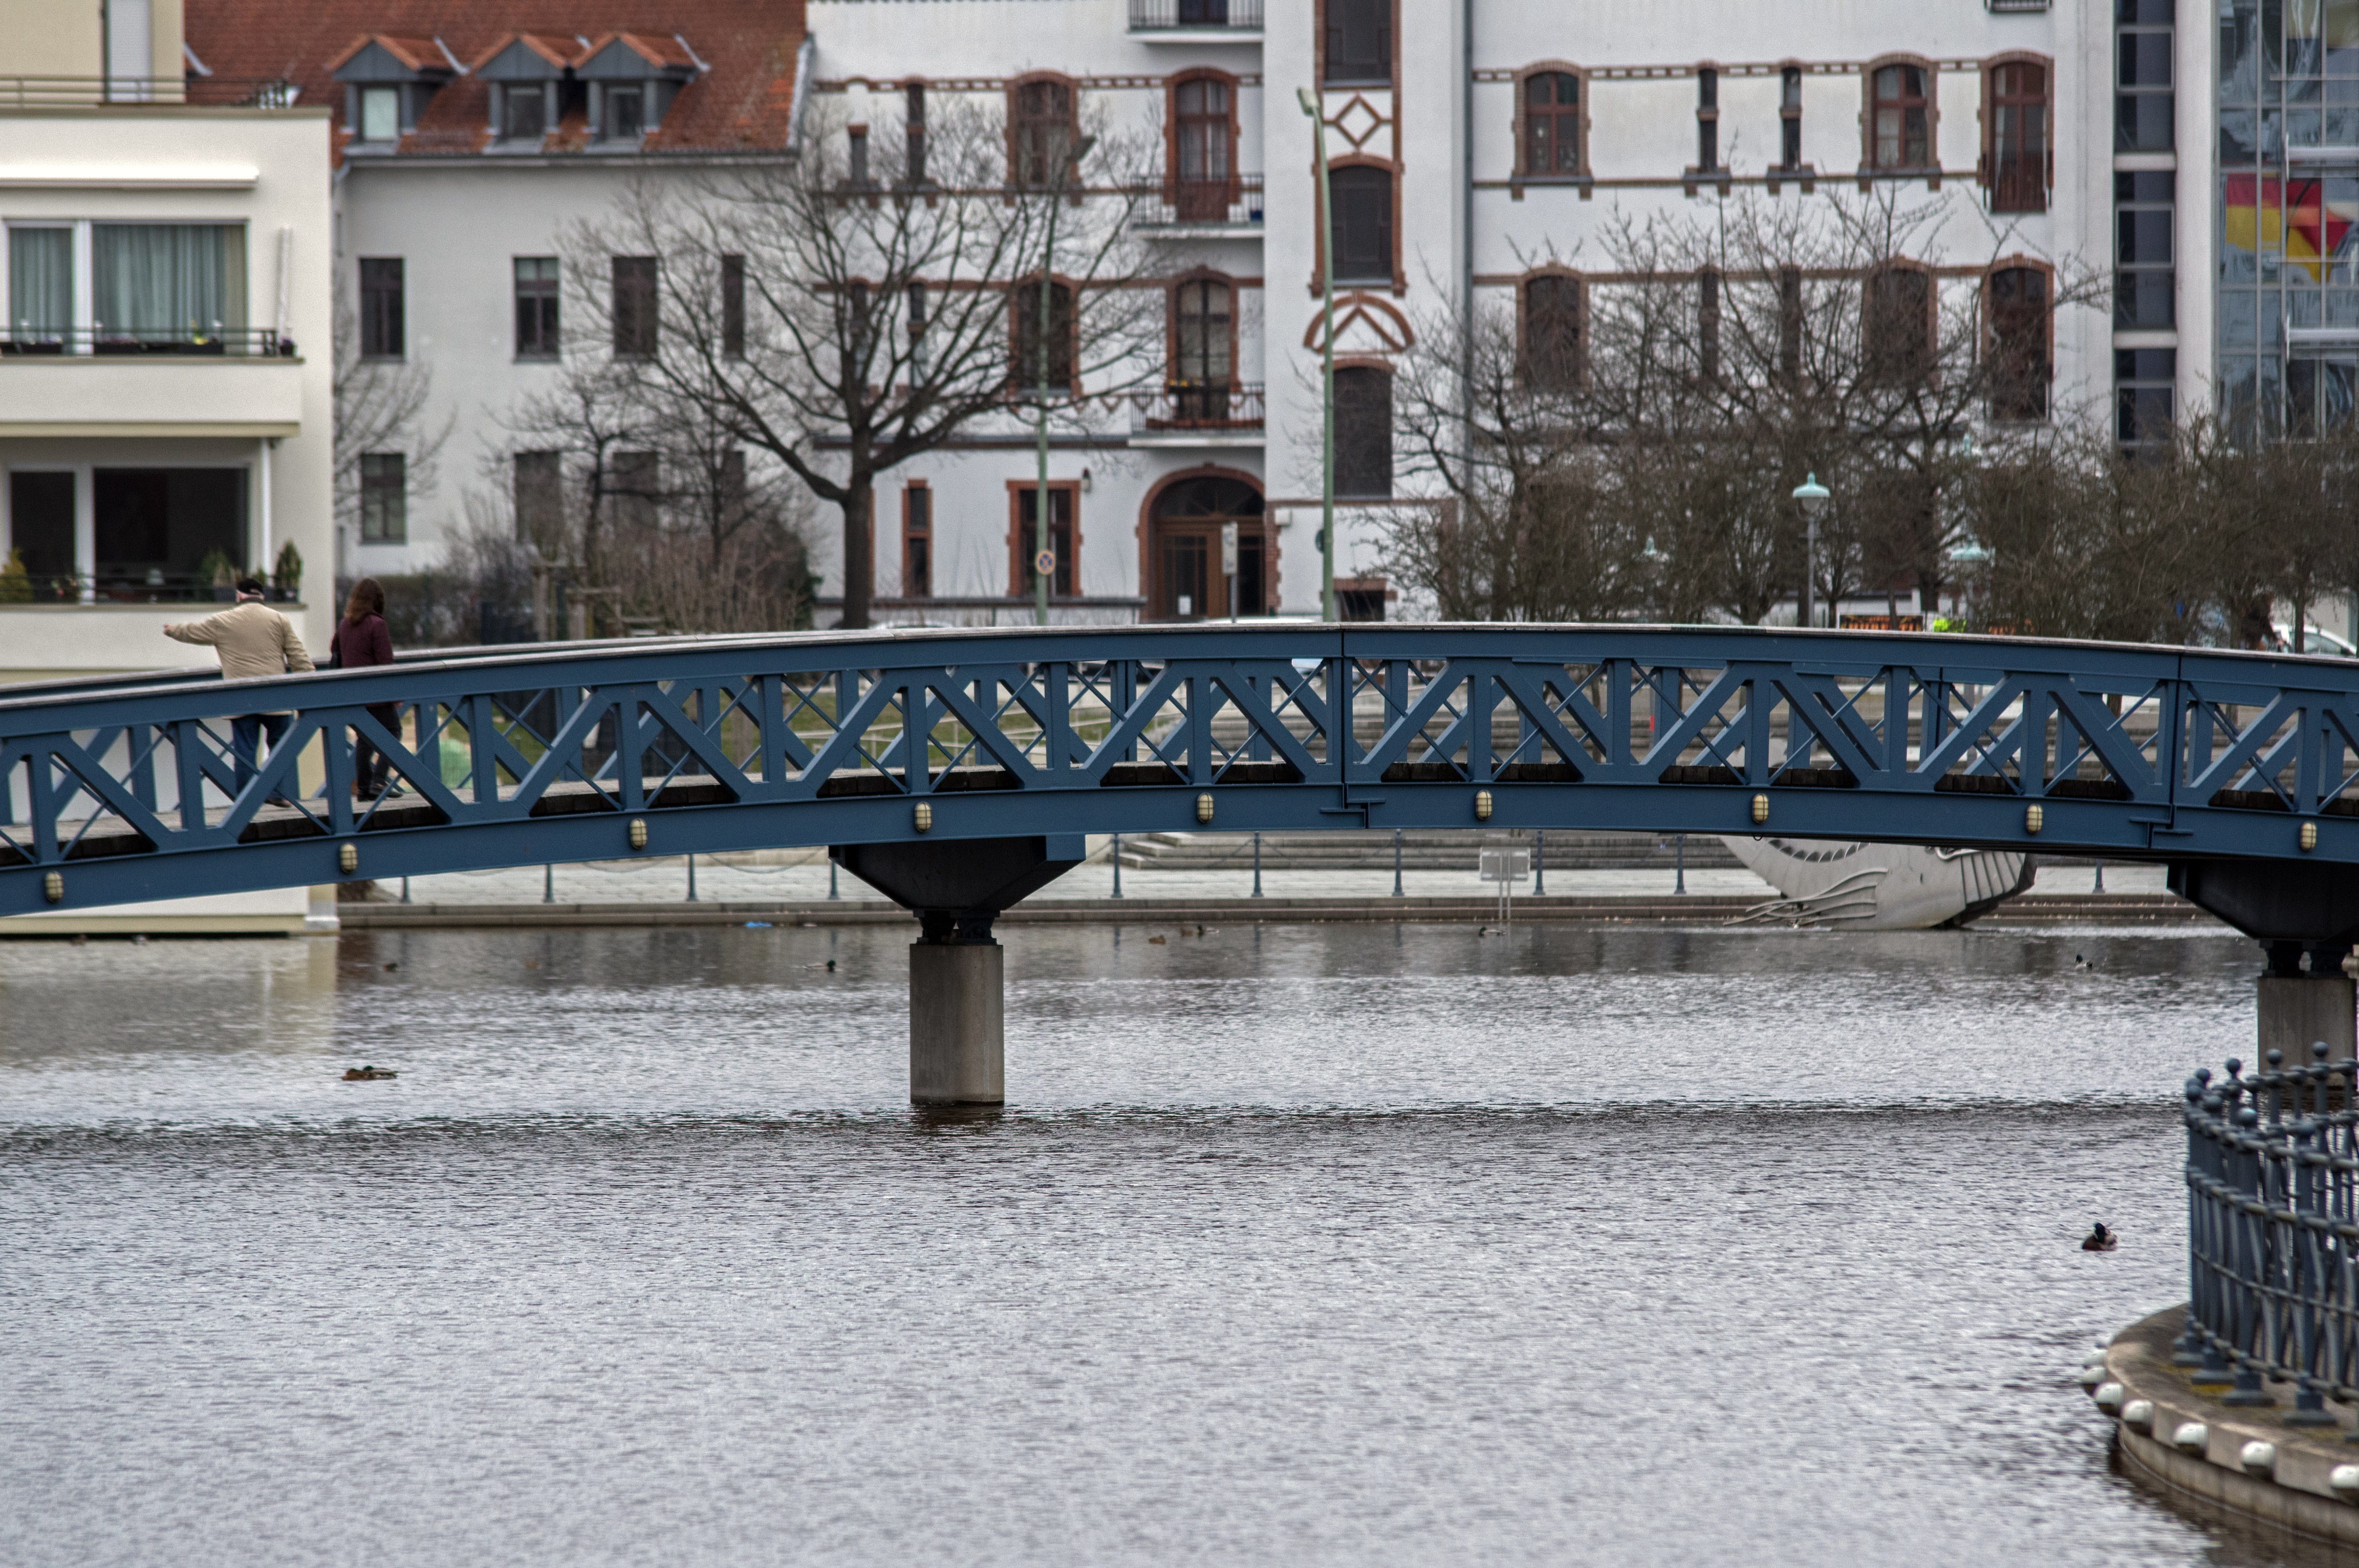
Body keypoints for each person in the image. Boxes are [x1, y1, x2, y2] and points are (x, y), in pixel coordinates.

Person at [163, 575, 313, 796]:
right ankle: (280, 794)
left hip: (242, 696)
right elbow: (298, 656)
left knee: (245, 751)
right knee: (280, 747)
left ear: (239, 596)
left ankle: (246, 800)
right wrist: (311, 683)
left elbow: (192, 632)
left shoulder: (223, 621)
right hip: (276, 694)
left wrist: (171, 630)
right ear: (262, 596)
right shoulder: (279, 619)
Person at [332, 577, 399, 798]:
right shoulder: (377, 624)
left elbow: (335, 650)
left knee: (364, 740)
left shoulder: (345, 624)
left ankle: (363, 788)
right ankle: (379, 782)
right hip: (376, 694)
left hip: (353, 693)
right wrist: (394, 695)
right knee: (393, 732)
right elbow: (385, 663)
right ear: (378, 600)